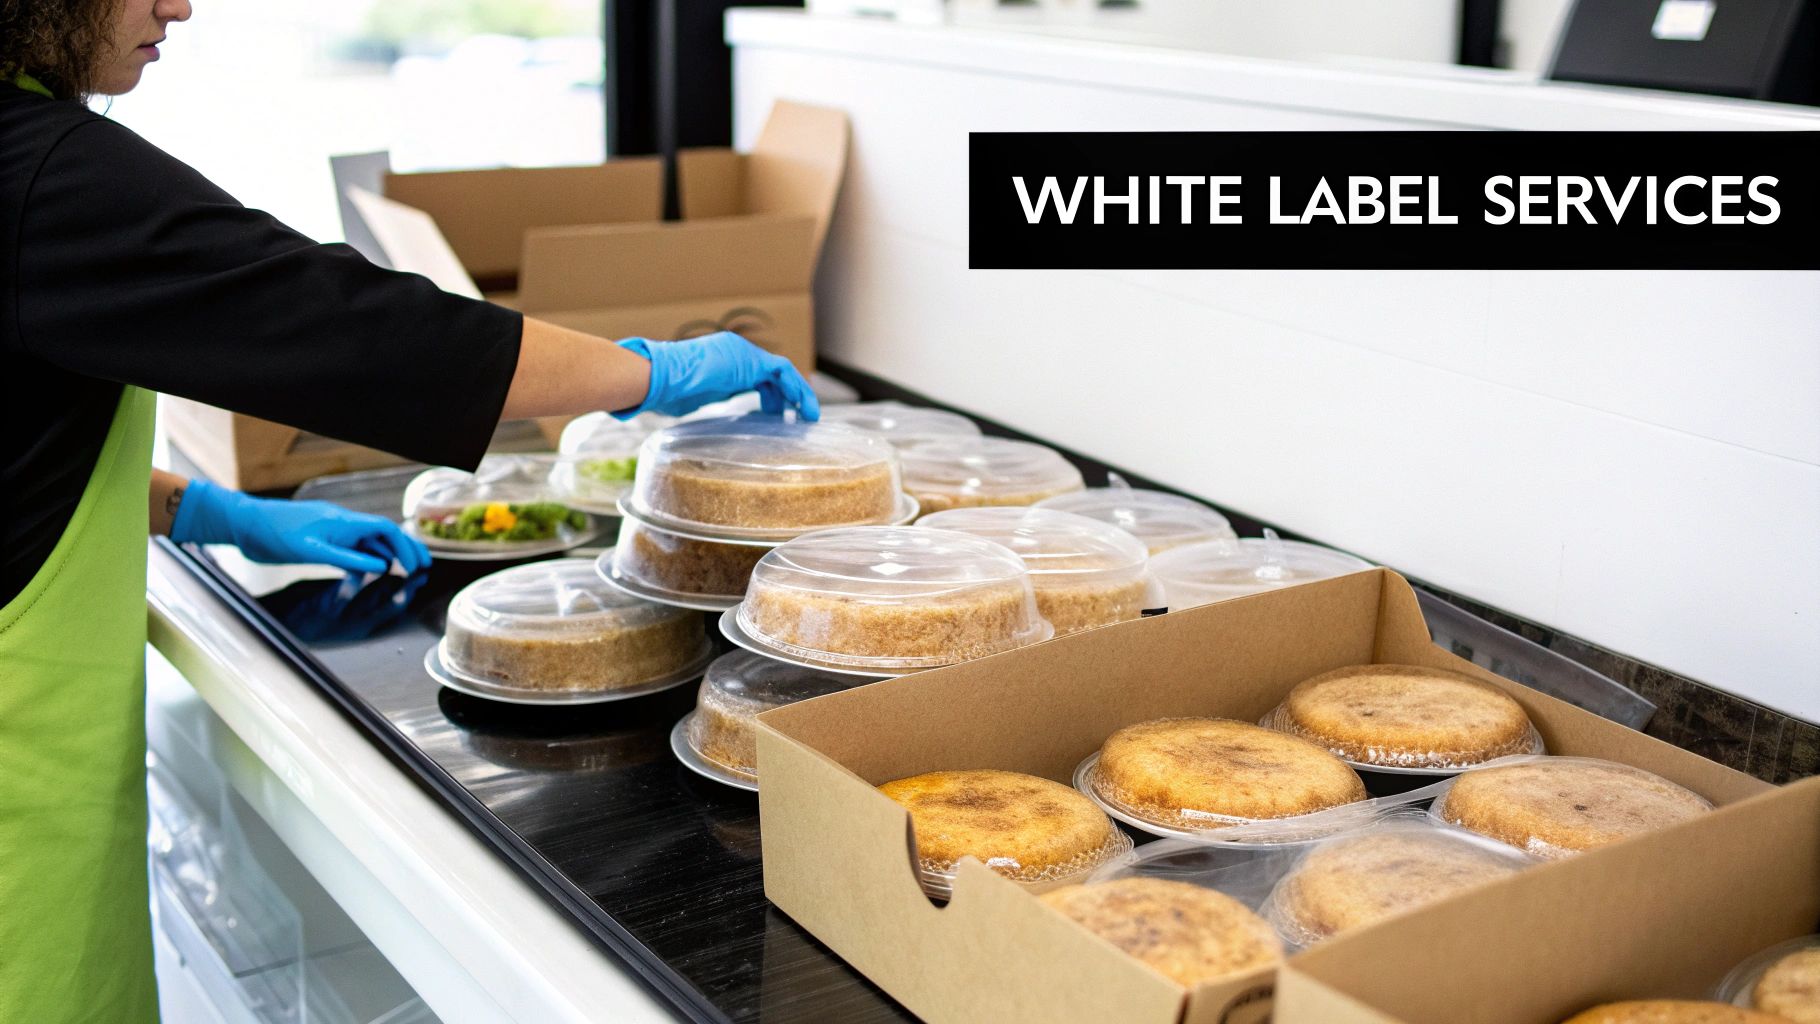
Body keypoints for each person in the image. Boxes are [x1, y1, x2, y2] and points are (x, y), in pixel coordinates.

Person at [0, 0, 819, 1019]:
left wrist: (205, 510)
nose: (178, 3)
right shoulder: (33, 170)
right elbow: (347, 325)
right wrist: (643, 368)